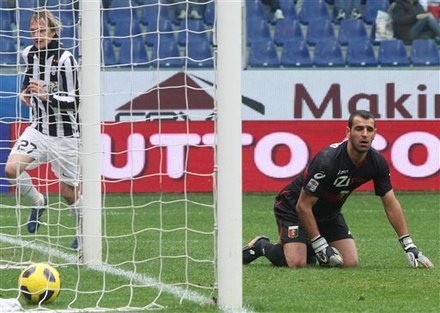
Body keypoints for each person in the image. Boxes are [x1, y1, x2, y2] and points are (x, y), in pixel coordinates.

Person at [243, 110, 433, 269]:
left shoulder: (377, 163)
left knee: (350, 263)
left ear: (375, 133)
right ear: (348, 132)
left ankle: (306, 244)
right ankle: (262, 247)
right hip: (293, 207)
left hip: (329, 213)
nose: (364, 134)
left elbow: (390, 203)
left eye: (369, 129)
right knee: (297, 262)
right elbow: (303, 205)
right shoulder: (328, 160)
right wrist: (319, 244)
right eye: (359, 129)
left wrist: (409, 245)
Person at [4, 9, 81, 249]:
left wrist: (47, 96)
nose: (37, 35)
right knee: (11, 169)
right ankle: (38, 201)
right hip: (38, 129)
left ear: (53, 32)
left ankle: (83, 231)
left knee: (69, 193)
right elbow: (29, 79)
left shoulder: (66, 60)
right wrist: (25, 91)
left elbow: (75, 102)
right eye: (33, 31)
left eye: (42, 31)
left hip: (65, 136)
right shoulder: (29, 54)